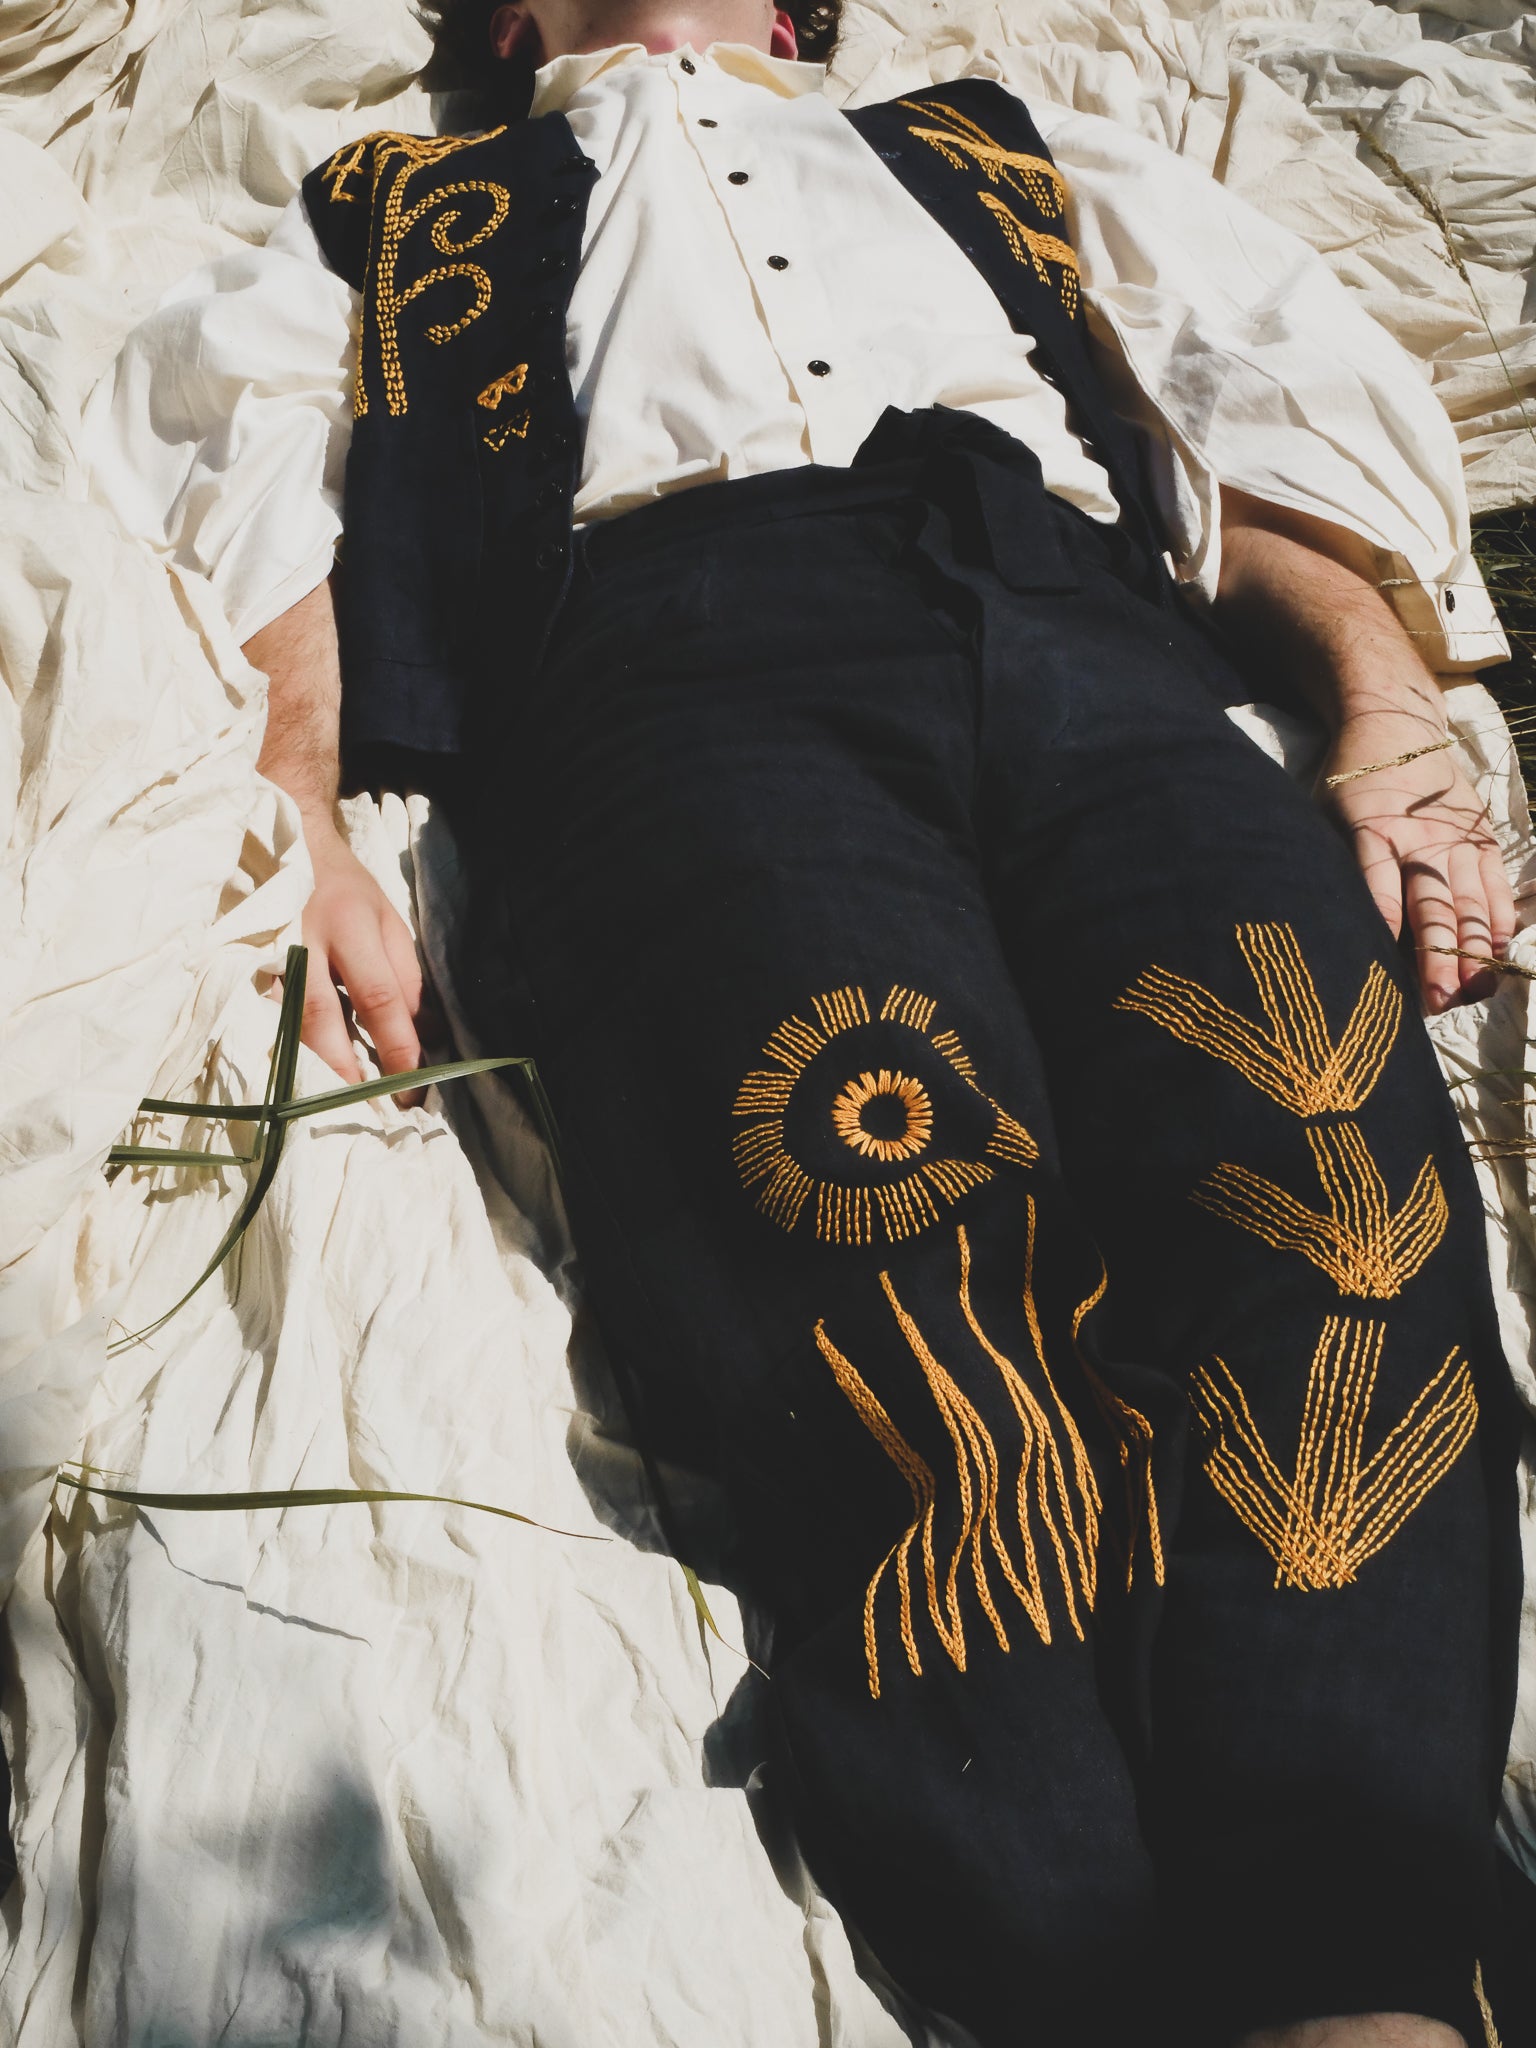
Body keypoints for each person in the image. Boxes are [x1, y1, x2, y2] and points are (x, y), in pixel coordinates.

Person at [85, 0, 1526, 2041]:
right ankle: (1080, 1978)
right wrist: (307, 826)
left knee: (1316, 1162)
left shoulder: (988, 146)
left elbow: (1231, 407)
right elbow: (260, 500)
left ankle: (1357, 1977)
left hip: (1075, 625)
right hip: (666, 671)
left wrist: (1380, 708)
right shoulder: (400, 210)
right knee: (870, 1234)